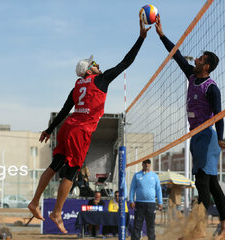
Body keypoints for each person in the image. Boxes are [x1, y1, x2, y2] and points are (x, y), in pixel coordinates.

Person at [27, 19, 151, 233]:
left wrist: (49, 130)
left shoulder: (77, 85)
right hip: (80, 130)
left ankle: (34, 201)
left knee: (55, 165)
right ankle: (57, 213)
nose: (97, 64)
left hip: (68, 126)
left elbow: (65, 110)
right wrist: (141, 38)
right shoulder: (100, 79)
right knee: (71, 172)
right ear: (88, 70)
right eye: (94, 64)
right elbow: (126, 62)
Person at [155, 15, 225, 239]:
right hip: (196, 137)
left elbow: (218, 115)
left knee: (202, 182)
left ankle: (198, 230)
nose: (196, 59)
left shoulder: (212, 88)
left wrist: (220, 137)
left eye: (200, 58)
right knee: (211, 183)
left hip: (208, 138)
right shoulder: (191, 76)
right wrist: (162, 35)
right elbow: (177, 56)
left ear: (206, 65)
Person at [129, 159, 163, 240]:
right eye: (145, 163)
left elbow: (158, 190)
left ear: (150, 165)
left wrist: (160, 202)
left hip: (151, 204)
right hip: (139, 203)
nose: (146, 165)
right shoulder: (137, 175)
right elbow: (132, 189)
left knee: (150, 226)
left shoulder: (155, 176)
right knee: (137, 225)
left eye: (148, 163)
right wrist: (131, 200)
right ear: (142, 164)